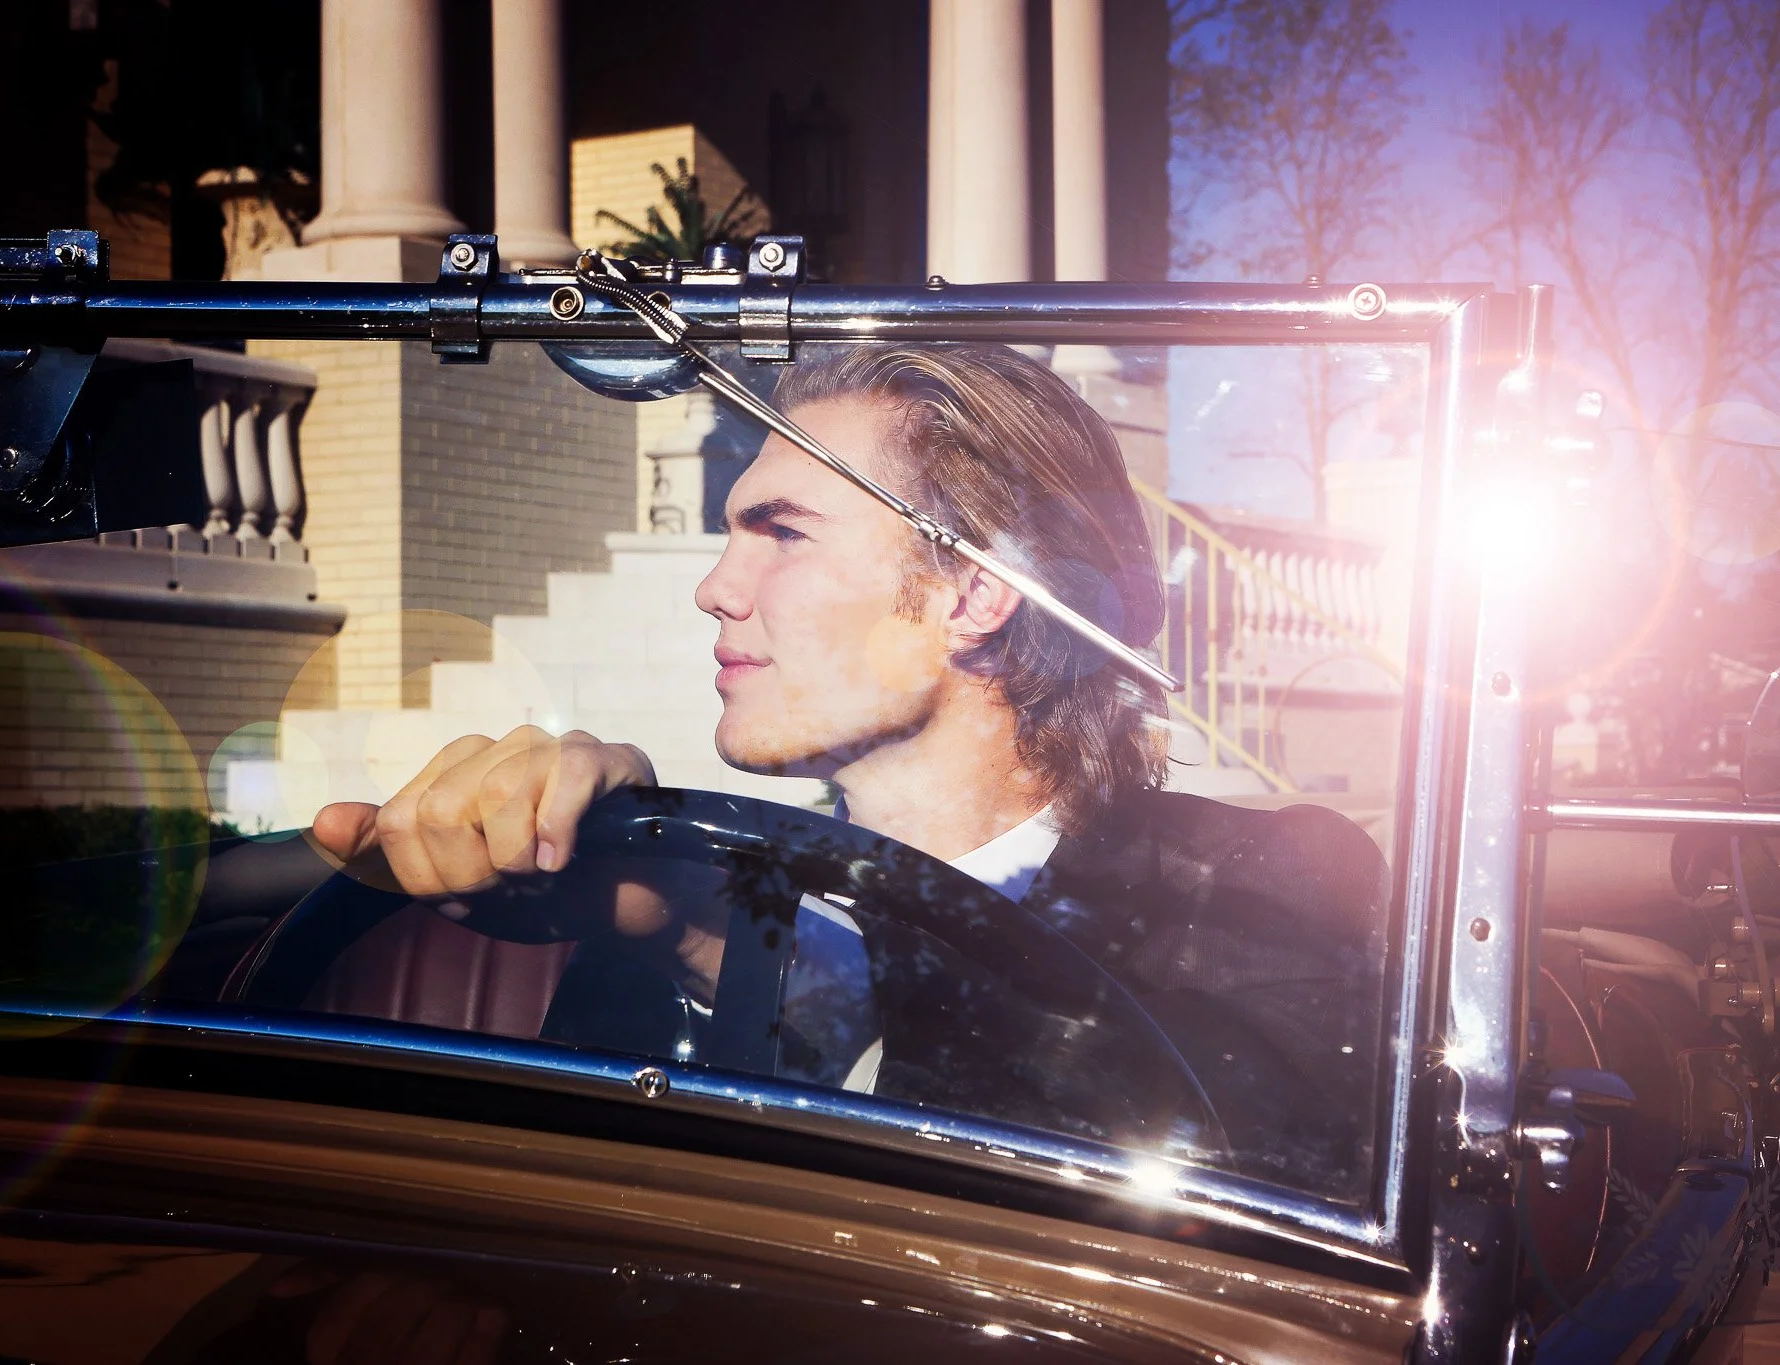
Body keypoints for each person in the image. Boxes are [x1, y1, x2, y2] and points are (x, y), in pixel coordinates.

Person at [312, 342, 1387, 1187]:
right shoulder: (683, 896)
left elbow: (1217, 1214)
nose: (715, 588)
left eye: (782, 533)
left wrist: (733, 943)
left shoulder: (1263, 885)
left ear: (974, 592)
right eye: (733, 532)